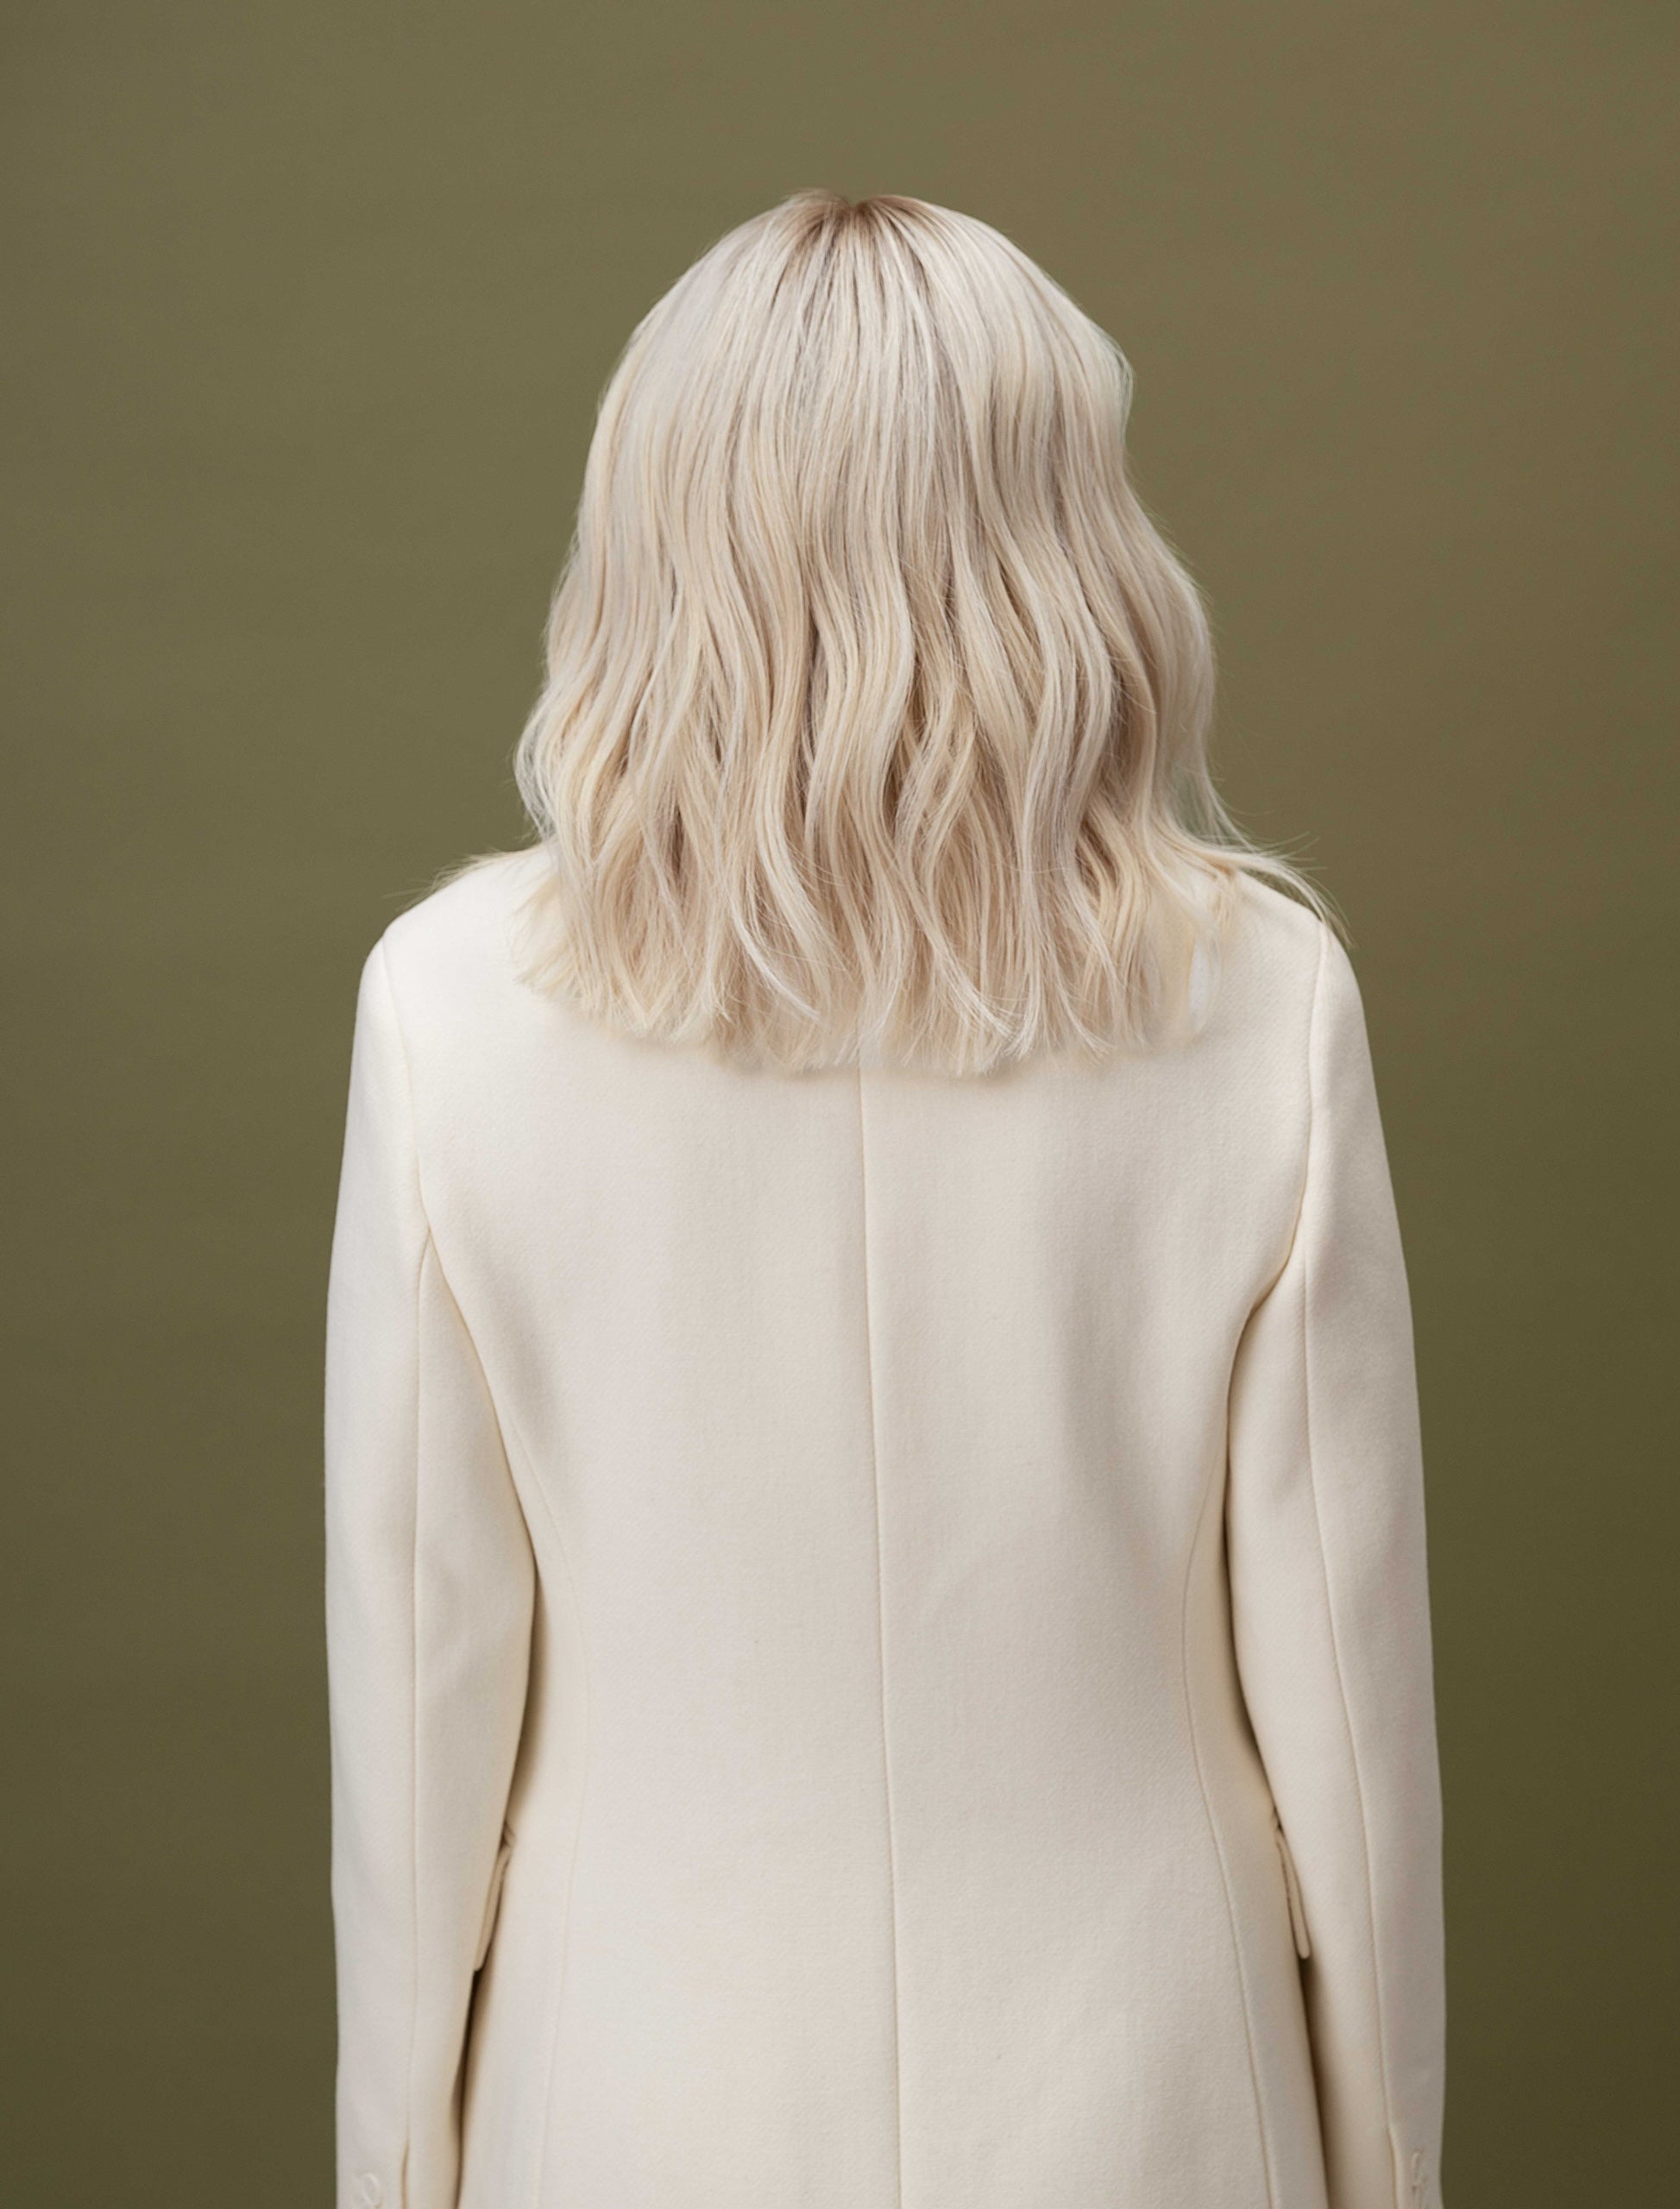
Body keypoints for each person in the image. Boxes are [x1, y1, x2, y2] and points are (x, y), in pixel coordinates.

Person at [324, 189, 1447, 2209]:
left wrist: (399, 2171)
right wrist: (1381, 2167)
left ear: (653, 525)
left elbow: (422, 1707)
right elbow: (1349, 1732)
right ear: (1064, 530)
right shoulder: (1259, 999)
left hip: (632, 2103)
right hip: (1152, 2101)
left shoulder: (449, 1010)